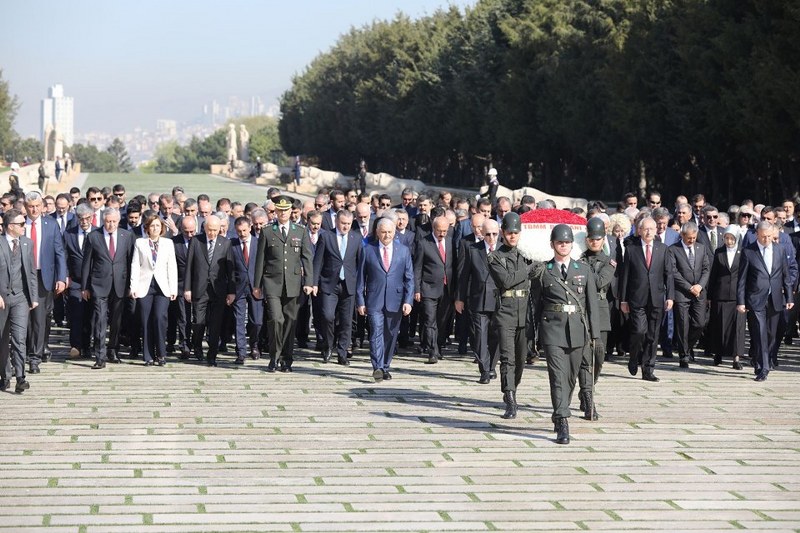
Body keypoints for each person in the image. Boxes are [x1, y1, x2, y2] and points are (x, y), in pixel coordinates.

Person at [531, 224, 601, 444]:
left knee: (570, 377)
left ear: (572, 244)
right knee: (557, 376)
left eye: (567, 242)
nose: (563, 245)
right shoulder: (543, 270)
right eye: (560, 242)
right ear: (552, 244)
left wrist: (594, 335)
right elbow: (535, 305)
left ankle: (560, 409)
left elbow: (591, 304)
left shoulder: (583, 270)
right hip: (552, 329)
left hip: (578, 330)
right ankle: (562, 419)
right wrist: (532, 336)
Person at [252, 196, 314, 372]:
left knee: (290, 322)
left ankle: (287, 358)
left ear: (291, 211)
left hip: (293, 283)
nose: (283, 213)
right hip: (272, 282)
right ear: (276, 212)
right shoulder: (267, 231)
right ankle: (274, 356)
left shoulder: (300, 231)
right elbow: (260, 260)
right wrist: (257, 285)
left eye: (286, 210)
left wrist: (309, 281)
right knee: (275, 320)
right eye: (280, 210)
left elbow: (307, 257)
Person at [487, 212, 537, 420]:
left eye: (516, 232)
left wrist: (537, 264)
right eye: (509, 232)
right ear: (502, 233)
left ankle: (512, 389)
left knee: (521, 359)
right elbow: (506, 281)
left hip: (524, 312)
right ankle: (510, 399)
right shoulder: (495, 257)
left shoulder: (526, 255)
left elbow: (539, 272)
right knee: (507, 359)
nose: (512, 236)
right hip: (505, 312)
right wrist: (528, 270)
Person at [356, 218, 414, 381]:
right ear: (377, 233)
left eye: (389, 232)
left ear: (394, 232)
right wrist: (360, 301)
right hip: (374, 300)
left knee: (390, 334)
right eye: (383, 232)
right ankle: (378, 367)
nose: (387, 235)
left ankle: (386, 365)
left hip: (395, 300)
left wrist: (408, 301)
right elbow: (361, 278)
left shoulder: (403, 250)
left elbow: (409, 278)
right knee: (375, 333)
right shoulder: (368, 250)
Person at [737, 221, 794, 381]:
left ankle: (761, 359)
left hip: (775, 297)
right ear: (757, 235)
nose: (766, 239)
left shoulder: (780, 249)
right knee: (760, 332)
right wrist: (741, 301)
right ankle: (764, 367)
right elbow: (742, 279)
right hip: (755, 298)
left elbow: (785, 275)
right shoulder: (749, 252)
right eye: (763, 237)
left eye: (769, 236)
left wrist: (789, 297)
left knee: (771, 334)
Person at [619, 217, 674, 382]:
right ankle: (634, 356)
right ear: (639, 231)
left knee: (652, 335)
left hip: (657, 298)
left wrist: (670, 296)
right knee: (639, 331)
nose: (649, 231)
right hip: (637, 298)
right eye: (645, 229)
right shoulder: (631, 249)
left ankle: (648, 369)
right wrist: (623, 300)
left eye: (652, 228)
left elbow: (669, 274)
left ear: (656, 230)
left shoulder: (663, 249)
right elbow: (625, 276)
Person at [81, 208, 135, 369]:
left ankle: (113, 349)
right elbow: (86, 264)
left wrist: (131, 285)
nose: (111, 225)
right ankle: (100, 355)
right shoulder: (93, 236)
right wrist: (85, 287)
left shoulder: (127, 236)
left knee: (117, 321)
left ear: (118, 221)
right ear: (103, 221)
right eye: (108, 221)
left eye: (114, 222)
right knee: (100, 320)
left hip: (120, 284)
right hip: (99, 285)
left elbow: (131, 261)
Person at [183, 215, 236, 366]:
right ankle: (197, 347)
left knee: (215, 324)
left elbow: (230, 270)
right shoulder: (196, 241)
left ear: (220, 229)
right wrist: (187, 288)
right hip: (200, 289)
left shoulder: (225, 243)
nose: (212, 233)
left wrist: (231, 291)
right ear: (204, 228)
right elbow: (189, 267)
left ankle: (212, 355)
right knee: (198, 322)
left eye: (215, 230)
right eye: (209, 230)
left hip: (218, 290)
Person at [24, 191, 67, 374]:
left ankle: (35, 355)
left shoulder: (51, 224)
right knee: (23, 317)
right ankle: (24, 351)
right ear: (26, 207)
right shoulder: (19, 224)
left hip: (44, 276)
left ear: (42, 206)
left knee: (40, 318)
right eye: (30, 206)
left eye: (37, 206)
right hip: (22, 276)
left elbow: (59, 252)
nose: (34, 209)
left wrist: (61, 277)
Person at [312, 210, 362, 366]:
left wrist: (361, 286)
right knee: (328, 316)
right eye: (343, 223)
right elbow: (318, 261)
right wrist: (314, 283)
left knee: (347, 321)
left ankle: (342, 352)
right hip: (329, 284)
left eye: (348, 224)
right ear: (337, 222)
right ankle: (328, 346)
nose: (346, 226)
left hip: (349, 285)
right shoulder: (326, 236)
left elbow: (360, 264)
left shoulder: (356, 238)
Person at [578, 218, 615, 420]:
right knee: (585, 359)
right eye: (591, 238)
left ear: (603, 239)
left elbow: (600, 282)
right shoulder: (578, 258)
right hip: (582, 312)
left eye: (598, 239)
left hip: (600, 313)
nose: (594, 242)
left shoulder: (609, 261)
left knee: (598, 358)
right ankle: (589, 399)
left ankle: (587, 388)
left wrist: (582, 272)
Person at [130, 214, 178, 366]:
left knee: (159, 317)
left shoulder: (168, 243)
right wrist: (133, 287)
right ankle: (148, 356)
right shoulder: (140, 243)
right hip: (144, 286)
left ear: (162, 228)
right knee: (145, 320)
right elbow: (135, 265)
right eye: (152, 226)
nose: (155, 228)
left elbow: (172, 266)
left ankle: (161, 354)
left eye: (157, 225)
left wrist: (173, 288)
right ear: (147, 228)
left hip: (162, 286)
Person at [455, 219, 499, 384]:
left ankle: (492, 365)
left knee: (497, 336)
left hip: (499, 301)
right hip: (478, 299)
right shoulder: (472, 249)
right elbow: (463, 276)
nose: (492, 238)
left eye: (495, 234)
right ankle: (484, 370)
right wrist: (459, 298)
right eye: (488, 234)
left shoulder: (504, 250)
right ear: (482, 233)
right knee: (480, 336)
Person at [0, 209, 38, 393]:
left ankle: (21, 377)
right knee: (2, 339)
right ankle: (5, 376)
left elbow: (31, 272)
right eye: (21, 224)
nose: (25, 227)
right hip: (1, 298)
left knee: (19, 339)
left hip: (21, 297)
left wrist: (34, 297)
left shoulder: (27, 243)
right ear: (10, 226)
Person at [667, 222, 710, 369]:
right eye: (689, 238)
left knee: (700, 323)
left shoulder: (701, 248)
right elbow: (673, 272)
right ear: (682, 235)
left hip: (699, 292)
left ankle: (688, 346)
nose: (692, 240)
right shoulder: (673, 249)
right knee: (683, 325)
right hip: (682, 293)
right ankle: (683, 356)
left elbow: (706, 269)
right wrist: (689, 287)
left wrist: (699, 286)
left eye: (694, 237)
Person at [414, 216, 455, 364]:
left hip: (447, 288)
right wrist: (417, 289)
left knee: (442, 321)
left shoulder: (450, 242)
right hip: (428, 288)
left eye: (445, 230)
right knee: (430, 321)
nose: (442, 233)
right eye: (439, 230)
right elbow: (417, 268)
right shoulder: (423, 243)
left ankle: (438, 347)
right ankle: (432, 351)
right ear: (433, 228)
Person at [708, 227, 745, 369]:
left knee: (737, 327)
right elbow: (713, 275)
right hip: (720, 294)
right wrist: (710, 296)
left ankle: (736, 357)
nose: (729, 241)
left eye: (732, 238)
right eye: (726, 238)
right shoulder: (719, 252)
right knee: (719, 325)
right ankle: (718, 353)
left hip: (737, 295)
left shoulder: (743, 253)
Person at [229, 216, 262, 363]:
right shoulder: (232, 245)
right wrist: (230, 290)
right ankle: (241, 352)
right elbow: (228, 269)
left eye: (244, 230)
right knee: (238, 320)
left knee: (256, 321)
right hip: (238, 288)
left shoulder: (259, 243)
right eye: (239, 231)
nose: (242, 234)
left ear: (250, 228)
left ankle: (254, 345)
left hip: (256, 288)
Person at [63, 204, 93, 358]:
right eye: (81, 219)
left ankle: (87, 345)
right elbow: (64, 257)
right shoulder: (68, 234)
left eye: (87, 218)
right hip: (75, 281)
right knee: (76, 313)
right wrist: (65, 276)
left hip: (93, 282)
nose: (84, 221)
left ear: (92, 217)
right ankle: (75, 345)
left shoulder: (97, 233)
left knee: (90, 315)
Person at [171, 216, 196, 359]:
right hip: (180, 285)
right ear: (181, 229)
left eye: (192, 231)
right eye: (187, 232)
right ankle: (184, 346)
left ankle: (196, 344)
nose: (190, 235)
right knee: (183, 318)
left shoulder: (200, 241)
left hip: (198, 285)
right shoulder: (174, 243)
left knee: (198, 318)